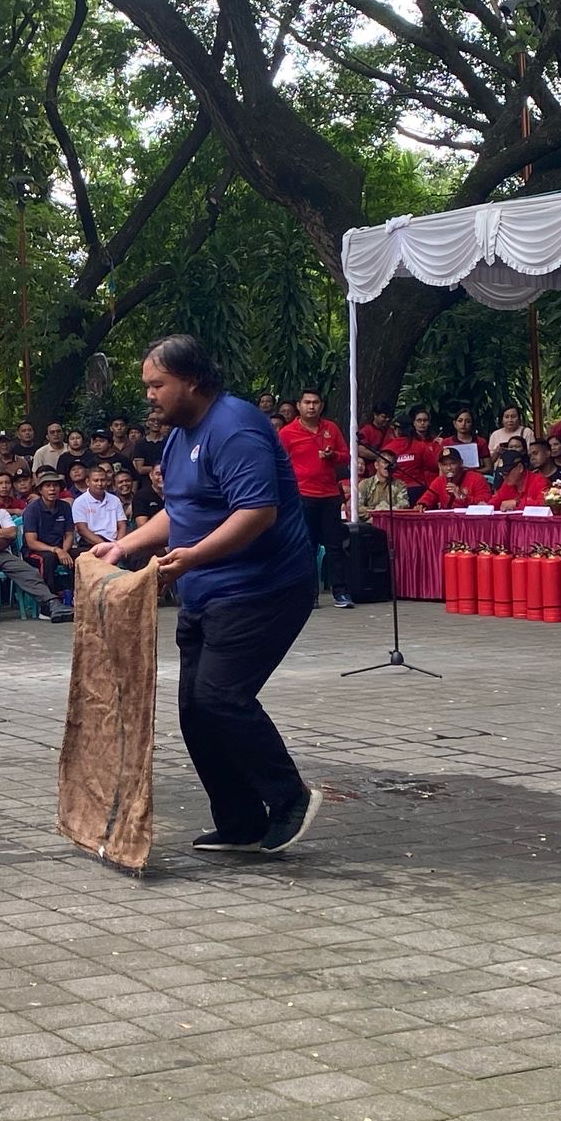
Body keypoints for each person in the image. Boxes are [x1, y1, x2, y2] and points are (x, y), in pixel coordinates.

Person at [95, 333, 319, 855]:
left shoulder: (236, 428)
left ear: (191, 381)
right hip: (204, 592)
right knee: (196, 710)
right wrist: (124, 547)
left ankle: (289, 798)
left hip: (261, 588)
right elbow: (182, 513)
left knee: (221, 697)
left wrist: (193, 556)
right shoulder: (179, 435)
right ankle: (240, 821)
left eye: (158, 384)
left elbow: (256, 513)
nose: (149, 395)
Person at [0, 478, 70, 623]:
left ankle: (51, 603)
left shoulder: (1, 513)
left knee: (28, 571)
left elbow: (12, 532)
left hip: (3, 553)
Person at [277, 386, 350, 608]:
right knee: (307, 545)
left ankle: (340, 592)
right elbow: (279, 463)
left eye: (315, 402)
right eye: (307, 402)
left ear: (322, 405)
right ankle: (310, 594)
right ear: (298, 406)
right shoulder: (287, 433)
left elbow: (346, 456)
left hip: (329, 494)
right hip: (303, 495)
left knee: (335, 545)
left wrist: (333, 455)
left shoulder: (331, 428)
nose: (311, 406)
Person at [21, 469, 77, 597]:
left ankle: (79, 596)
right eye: (48, 486)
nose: (52, 489)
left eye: (55, 485)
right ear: (40, 490)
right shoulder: (32, 509)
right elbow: (31, 542)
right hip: (36, 552)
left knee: (83, 556)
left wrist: (64, 550)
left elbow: (69, 534)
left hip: (60, 548)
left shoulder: (65, 507)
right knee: (47, 559)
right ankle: (48, 601)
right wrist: (56, 550)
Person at [378, 416, 439, 503]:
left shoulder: (388, 448)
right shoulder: (420, 446)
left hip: (394, 490)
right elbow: (434, 465)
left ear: (396, 430)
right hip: (417, 490)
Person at [417, 447, 493, 510]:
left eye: (453, 463)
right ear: (439, 466)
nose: (449, 468)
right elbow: (427, 497)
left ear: (461, 463)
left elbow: (486, 501)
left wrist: (462, 496)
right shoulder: (439, 481)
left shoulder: (476, 478)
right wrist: (422, 504)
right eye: (444, 465)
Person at [71, 466, 128, 548]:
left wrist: (118, 545)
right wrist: (106, 546)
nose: (100, 484)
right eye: (96, 480)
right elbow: (82, 529)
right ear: (87, 482)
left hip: (115, 542)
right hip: (90, 543)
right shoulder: (80, 502)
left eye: (103, 480)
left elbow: (122, 525)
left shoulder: (115, 500)